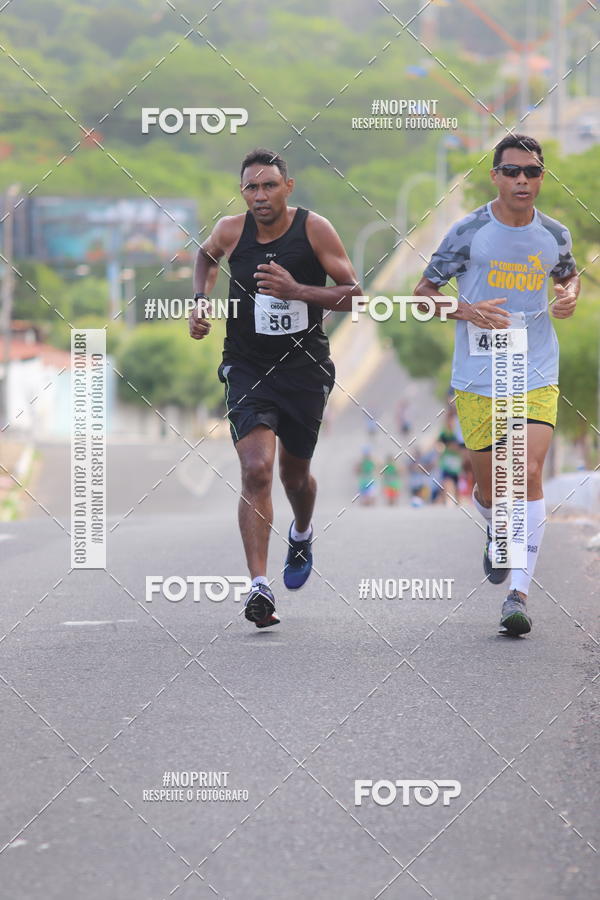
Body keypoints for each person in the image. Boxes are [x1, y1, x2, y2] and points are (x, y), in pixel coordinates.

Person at [189, 148, 362, 628]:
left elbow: (355, 296)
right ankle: (258, 587)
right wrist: (199, 302)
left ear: (288, 187)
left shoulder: (314, 230)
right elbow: (204, 256)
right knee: (257, 470)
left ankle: (302, 531)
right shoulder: (230, 231)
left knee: (294, 478)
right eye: (251, 187)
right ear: (242, 192)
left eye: (269, 186)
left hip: (304, 369)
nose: (260, 196)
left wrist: (299, 291)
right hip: (246, 367)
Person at [414, 133, 579, 635]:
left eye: (531, 171)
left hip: (536, 368)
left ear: (542, 177)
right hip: (479, 375)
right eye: (511, 171)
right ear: (495, 177)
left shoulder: (555, 234)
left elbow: (567, 276)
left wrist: (568, 294)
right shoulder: (468, 233)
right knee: (491, 485)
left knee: (525, 468)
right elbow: (422, 296)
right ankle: (494, 525)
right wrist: (465, 310)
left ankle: (518, 595)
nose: (522, 180)